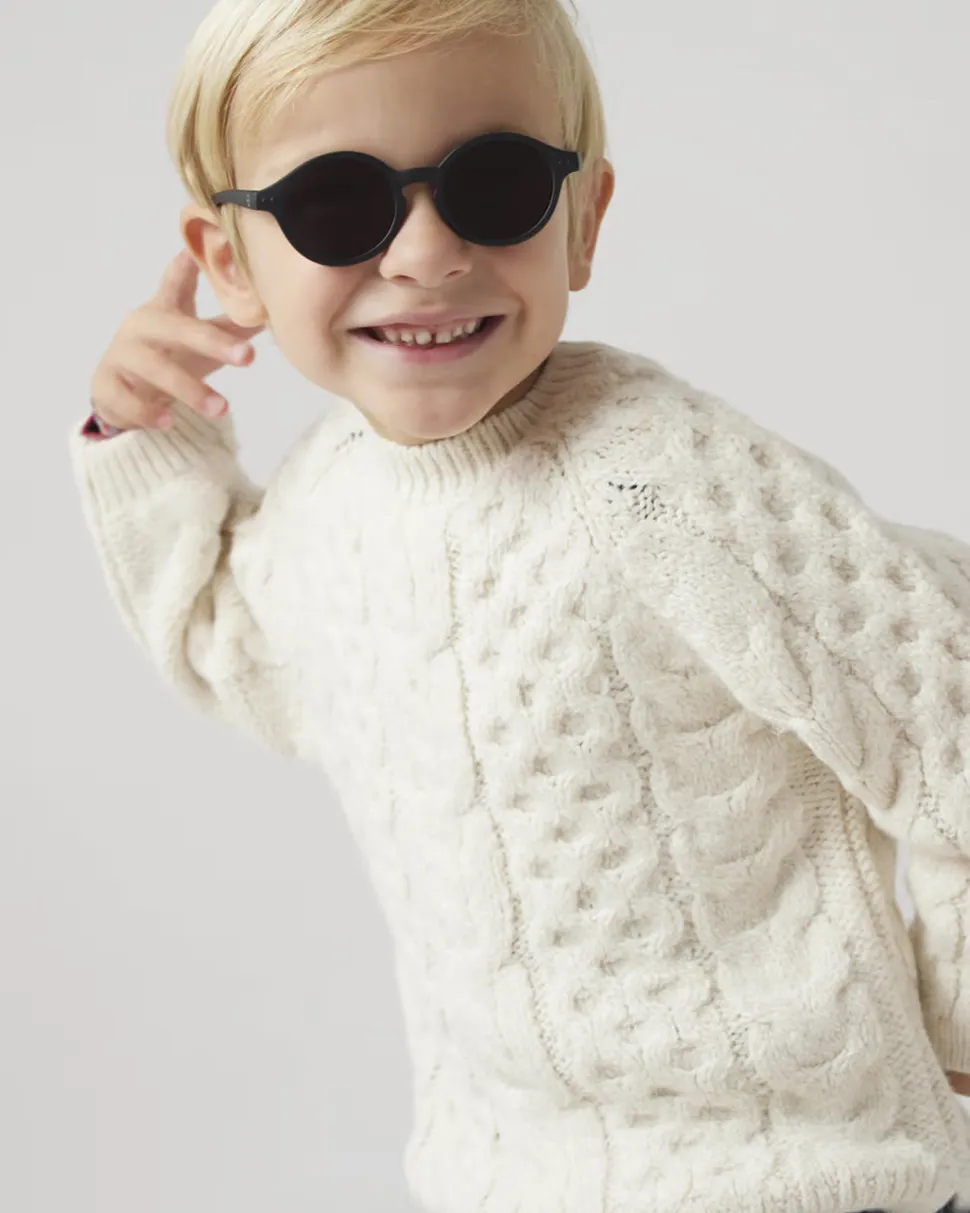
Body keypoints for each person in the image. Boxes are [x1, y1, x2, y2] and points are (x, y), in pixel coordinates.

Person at [70, 1, 970, 1210]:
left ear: (582, 218)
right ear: (231, 264)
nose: (426, 253)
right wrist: (144, 435)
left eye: (493, 186)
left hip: (802, 1176)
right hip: (498, 1178)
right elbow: (238, 659)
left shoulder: (659, 484)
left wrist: (956, 1020)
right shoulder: (330, 501)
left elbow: (946, 691)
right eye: (337, 204)